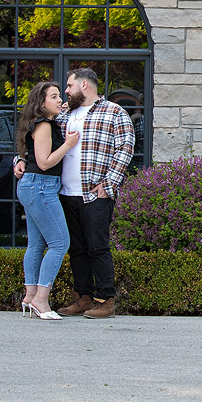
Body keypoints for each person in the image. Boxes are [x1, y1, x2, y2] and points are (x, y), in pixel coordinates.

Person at [15, 67, 134, 319]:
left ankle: (105, 300)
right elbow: (36, 138)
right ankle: (83, 297)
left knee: (97, 247)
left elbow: (125, 149)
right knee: (75, 248)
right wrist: (20, 159)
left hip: (95, 194)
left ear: (84, 86)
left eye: (68, 86)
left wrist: (109, 184)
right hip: (63, 194)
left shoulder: (114, 112)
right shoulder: (62, 114)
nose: (65, 92)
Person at [16, 81, 80, 321]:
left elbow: (29, 157)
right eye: (53, 97)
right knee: (60, 243)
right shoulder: (43, 125)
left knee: (35, 244)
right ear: (42, 103)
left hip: (34, 186)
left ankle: (30, 296)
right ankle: (41, 300)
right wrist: (68, 144)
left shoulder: (45, 122)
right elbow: (44, 162)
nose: (59, 100)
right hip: (41, 187)